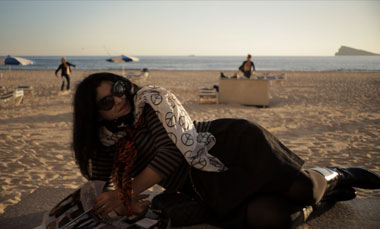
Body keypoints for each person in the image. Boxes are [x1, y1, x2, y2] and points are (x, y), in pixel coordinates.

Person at [72, 72, 380, 228]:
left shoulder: (150, 101)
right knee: (269, 219)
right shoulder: (106, 143)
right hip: (202, 185)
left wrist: (123, 195)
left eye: (119, 90)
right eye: (106, 102)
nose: (119, 100)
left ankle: (337, 174)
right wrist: (111, 201)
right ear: (95, 114)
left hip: (230, 145)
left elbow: (171, 152)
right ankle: (330, 196)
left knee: (301, 189)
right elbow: (99, 183)